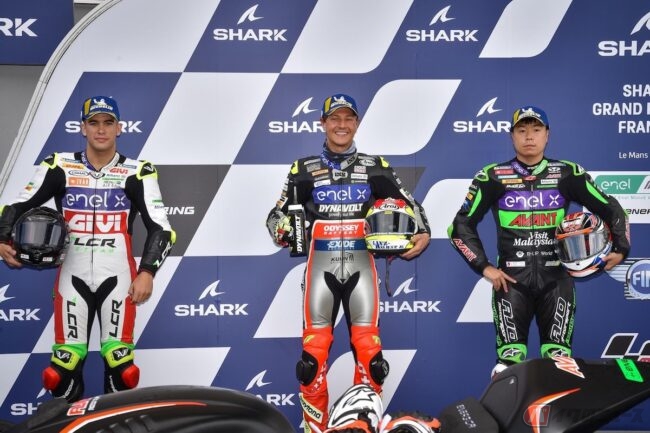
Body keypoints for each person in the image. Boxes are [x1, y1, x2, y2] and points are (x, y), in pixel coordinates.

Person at [266, 94, 431, 432]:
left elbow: (411, 206)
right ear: (323, 123)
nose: (341, 125)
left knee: (372, 358)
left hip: (362, 269)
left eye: (348, 119)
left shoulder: (375, 166)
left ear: (356, 123)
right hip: (320, 269)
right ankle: (314, 429)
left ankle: (362, 426)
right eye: (335, 118)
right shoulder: (302, 169)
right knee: (311, 361)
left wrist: (423, 232)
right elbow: (275, 217)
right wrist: (283, 229)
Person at [0, 96, 175, 402]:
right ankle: (69, 422)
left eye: (108, 123)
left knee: (122, 369)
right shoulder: (59, 165)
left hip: (119, 278)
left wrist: (147, 272)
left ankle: (113, 423)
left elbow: (162, 228)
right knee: (61, 371)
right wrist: (3, 239)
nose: (101, 130)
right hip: (72, 276)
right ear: (83, 128)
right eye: (93, 123)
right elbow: (16, 206)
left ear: (119, 128)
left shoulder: (138, 171)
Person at [448, 105, 630, 377]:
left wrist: (621, 248)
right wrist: (484, 267)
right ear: (512, 136)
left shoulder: (567, 173)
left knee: (560, 363)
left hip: (557, 281)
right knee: (507, 364)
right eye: (522, 130)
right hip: (510, 283)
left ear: (547, 135)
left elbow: (612, 208)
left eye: (536, 129)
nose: (529, 136)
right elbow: (459, 227)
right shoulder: (492, 176)